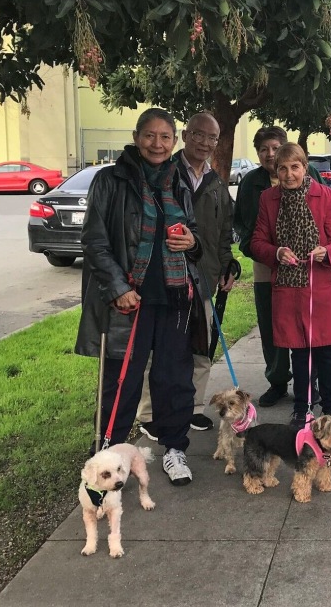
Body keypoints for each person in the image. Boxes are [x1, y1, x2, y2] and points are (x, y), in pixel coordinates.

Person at [76, 107, 207, 486]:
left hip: (174, 299)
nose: (157, 144)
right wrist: (118, 288)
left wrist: (192, 241)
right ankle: (108, 459)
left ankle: (175, 449)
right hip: (129, 302)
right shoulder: (109, 180)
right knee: (122, 383)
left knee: (174, 380)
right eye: (150, 135)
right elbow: (95, 242)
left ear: (174, 142)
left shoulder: (178, 181)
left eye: (165, 137)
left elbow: (193, 235)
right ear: (136, 137)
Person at [136, 112, 237, 439]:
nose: (205, 143)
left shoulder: (217, 182)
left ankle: (192, 408)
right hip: (165, 280)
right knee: (160, 350)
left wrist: (227, 264)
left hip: (204, 279)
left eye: (212, 138)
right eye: (199, 135)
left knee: (200, 349)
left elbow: (223, 234)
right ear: (185, 135)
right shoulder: (164, 172)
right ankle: (150, 414)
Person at [250, 143, 331, 428]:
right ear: (276, 171)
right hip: (289, 288)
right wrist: (277, 253)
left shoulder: (326, 196)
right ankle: (302, 407)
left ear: (305, 168)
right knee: (300, 351)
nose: (289, 174)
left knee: (328, 352)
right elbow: (257, 241)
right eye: (282, 168)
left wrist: (326, 251)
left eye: (295, 167)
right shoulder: (268, 199)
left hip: (322, 288)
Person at [233, 127, 324, 408]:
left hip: (307, 265)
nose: (269, 154)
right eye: (263, 149)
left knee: (307, 324)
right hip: (268, 264)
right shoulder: (252, 183)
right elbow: (243, 224)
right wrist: (261, 249)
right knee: (272, 325)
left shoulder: (311, 176)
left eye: (275, 148)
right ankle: (277, 380)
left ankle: (308, 382)